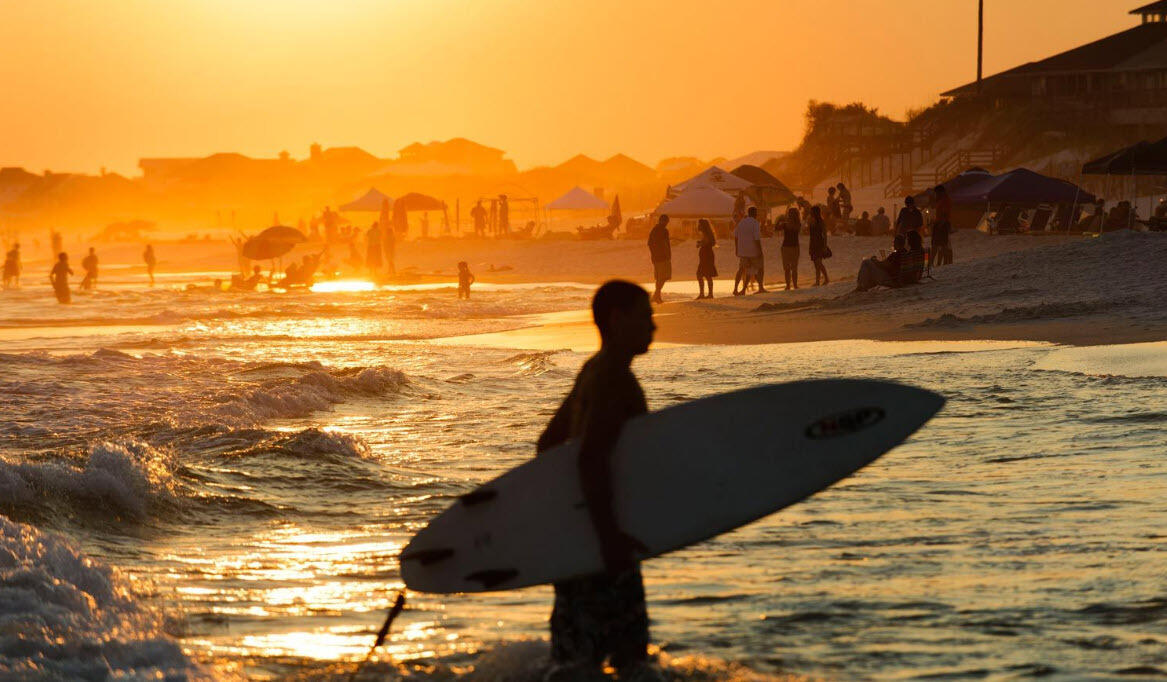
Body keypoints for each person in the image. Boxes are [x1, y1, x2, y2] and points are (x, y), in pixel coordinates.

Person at [536, 280, 660, 682]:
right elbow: (591, 458)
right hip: (606, 545)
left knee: (573, 665)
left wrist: (569, 521)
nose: (654, 326)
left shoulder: (594, 368)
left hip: (578, 545)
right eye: (645, 316)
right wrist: (608, 539)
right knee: (631, 666)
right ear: (617, 319)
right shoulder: (613, 380)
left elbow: (549, 443)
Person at [733, 206, 766, 295]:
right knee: (760, 268)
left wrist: (737, 249)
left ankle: (737, 289)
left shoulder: (741, 222)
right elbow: (757, 239)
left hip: (743, 251)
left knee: (742, 270)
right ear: (755, 214)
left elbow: (735, 236)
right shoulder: (755, 223)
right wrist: (760, 251)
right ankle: (761, 288)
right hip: (753, 251)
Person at [646, 215, 671, 304]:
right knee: (663, 277)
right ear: (662, 221)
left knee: (659, 278)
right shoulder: (663, 231)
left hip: (656, 257)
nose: (666, 224)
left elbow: (649, 243)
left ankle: (657, 296)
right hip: (663, 257)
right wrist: (666, 254)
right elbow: (665, 244)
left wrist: (653, 254)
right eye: (666, 222)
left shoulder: (654, 230)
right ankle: (656, 295)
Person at [930, 185, 954, 268]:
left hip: (942, 224)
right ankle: (937, 262)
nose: (936, 195)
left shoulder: (945, 201)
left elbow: (945, 215)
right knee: (938, 244)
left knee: (940, 244)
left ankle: (944, 263)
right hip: (940, 223)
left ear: (941, 192)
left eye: (937, 193)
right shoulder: (942, 200)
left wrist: (940, 225)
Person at [695, 219, 717, 299]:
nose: (698, 226)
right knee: (707, 275)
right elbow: (709, 242)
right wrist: (701, 242)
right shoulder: (707, 233)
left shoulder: (706, 234)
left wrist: (700, 243)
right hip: (706, 256)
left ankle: (703, 294)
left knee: (701, 274)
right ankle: (708, 294)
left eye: (699, 224)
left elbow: (707, 242)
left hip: (706, 256)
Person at [808, 205, 830, 286]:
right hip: (813, 243)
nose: (810, 213)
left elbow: (824, 234)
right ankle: (817, 281)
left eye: (811, 211)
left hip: (819, 243)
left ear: (815, 212)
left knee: (818, 262)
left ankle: (826, 278)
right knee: (816, 263)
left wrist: (825, 246)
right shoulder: (811, 220)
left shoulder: (821, 221)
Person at [780, 206, 800, 290]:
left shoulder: (786, 224)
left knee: (788, 268)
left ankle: (788, 285)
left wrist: (784, 219)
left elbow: (777, 227)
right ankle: (794, 285)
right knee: (793, 268)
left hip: (786, 247)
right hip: (794, 246)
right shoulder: (797, 223)